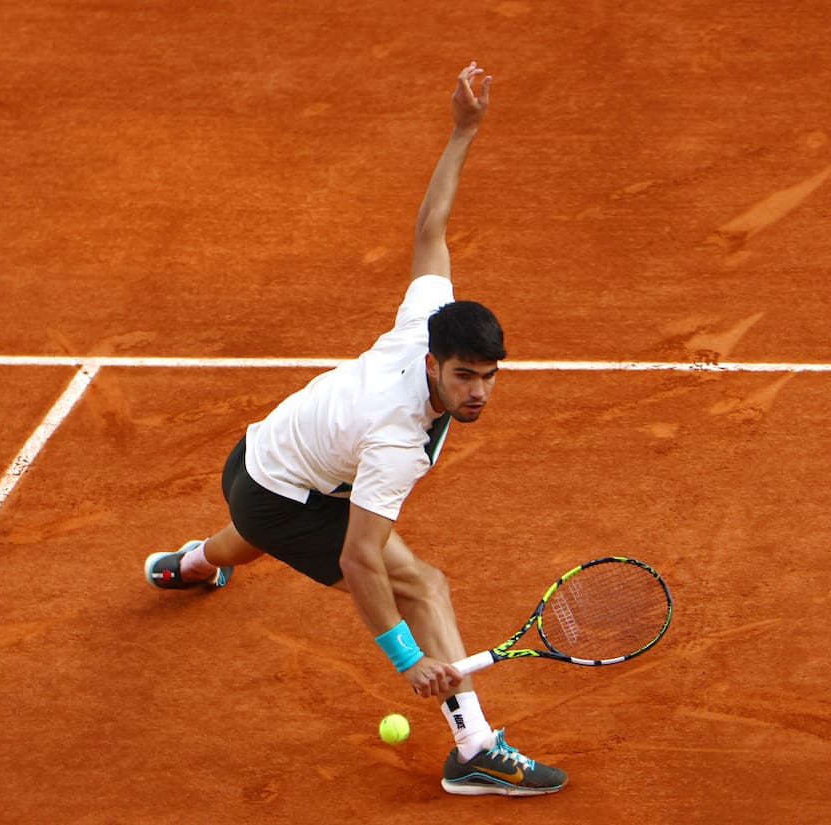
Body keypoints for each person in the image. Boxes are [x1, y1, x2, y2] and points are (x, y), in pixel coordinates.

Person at [143, 62, 566, 797]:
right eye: (465, 376)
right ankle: (473, 746)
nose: (478, 392)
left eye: (489, 376)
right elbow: (362, 561)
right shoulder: (396, 438)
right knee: (423, 583)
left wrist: (464, 130)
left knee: (264, 523)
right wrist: (408, 658)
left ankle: (195, 563)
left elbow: (431, 228)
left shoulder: (422, 322)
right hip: (280, 490)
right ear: (435, 364)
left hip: (258, 459)